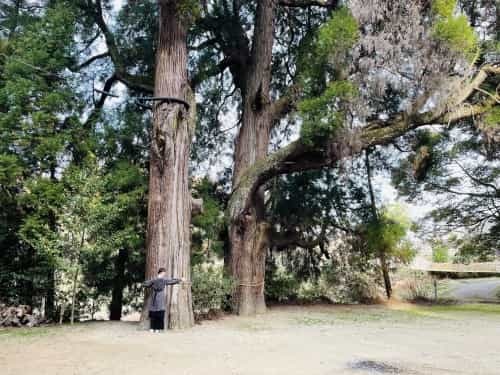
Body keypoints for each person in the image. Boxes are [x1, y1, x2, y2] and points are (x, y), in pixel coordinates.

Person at [143, 267, 181, 333]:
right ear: (161, 273)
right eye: (164, 273)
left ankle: (158, 328)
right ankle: (152, 328)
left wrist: (179, 280)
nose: (164, 274)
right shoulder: (154, 280)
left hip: (160, 297)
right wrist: (148, 284)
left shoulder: (163, 280)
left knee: (159, 313)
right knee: (153, 313)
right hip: (154, 297)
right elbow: (146, 284)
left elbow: (171, 281)